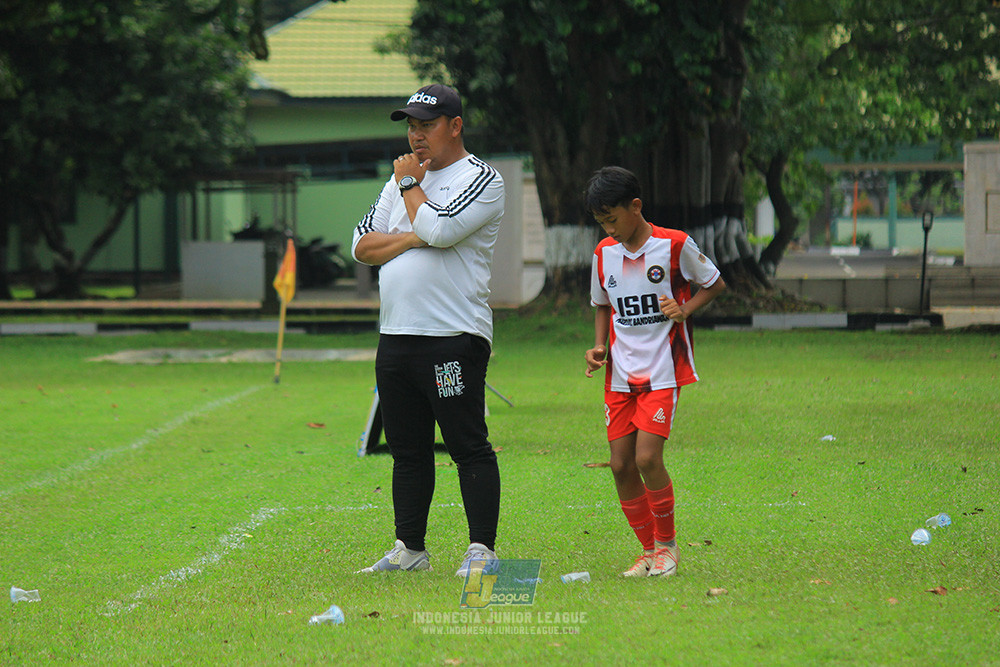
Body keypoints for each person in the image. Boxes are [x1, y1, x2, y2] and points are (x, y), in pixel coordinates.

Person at [351, 84, 505, 577]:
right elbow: (360, 246)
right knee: (406, 449)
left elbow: (440, 231)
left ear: (455, 126)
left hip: (452, 336)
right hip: (396, 336)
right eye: (410, 126)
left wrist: (410, 191)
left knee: (466, 443)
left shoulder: (481, 178)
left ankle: (482, 549)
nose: (416, 136)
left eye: (427, 125)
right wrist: (413, 232)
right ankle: (410, 548)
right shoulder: (397, 182)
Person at [583, 166, 725, 578]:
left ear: (636, 206)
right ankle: (647, 551)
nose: (608, 229)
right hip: (620, 376)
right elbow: (603, 305)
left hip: (663, 370)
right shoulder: (603, 254)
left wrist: (685, 310)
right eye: (600, 222)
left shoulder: (674, 245)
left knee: (647, 457)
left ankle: (667, 546)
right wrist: (598, 347)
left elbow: (714, 283)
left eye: (612, 218)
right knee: (620, 464)